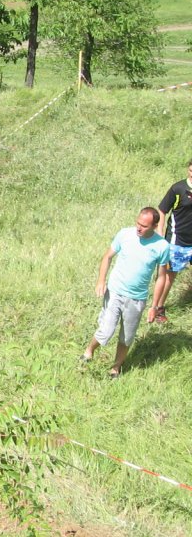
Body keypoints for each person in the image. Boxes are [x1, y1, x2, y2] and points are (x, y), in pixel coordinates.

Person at [81, 207, 169, 378]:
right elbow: (107, 257)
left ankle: (115, 368)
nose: (139, 228)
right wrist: (101, 280)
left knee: (127, 337)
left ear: (154, 226)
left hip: (137, 299)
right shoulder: (125, 234)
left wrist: (154, 307)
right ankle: (88, 352)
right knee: (106, 330)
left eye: (144, 226)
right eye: (138, 223)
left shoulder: (162, 246)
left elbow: (161, 277)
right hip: (115, 291)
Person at [148, 158, 192, 323]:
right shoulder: (178, 189)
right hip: (176, 240)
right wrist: (160, 234)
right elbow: (162, 209)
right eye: (191, 170)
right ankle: (158, 308)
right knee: (169, 276)